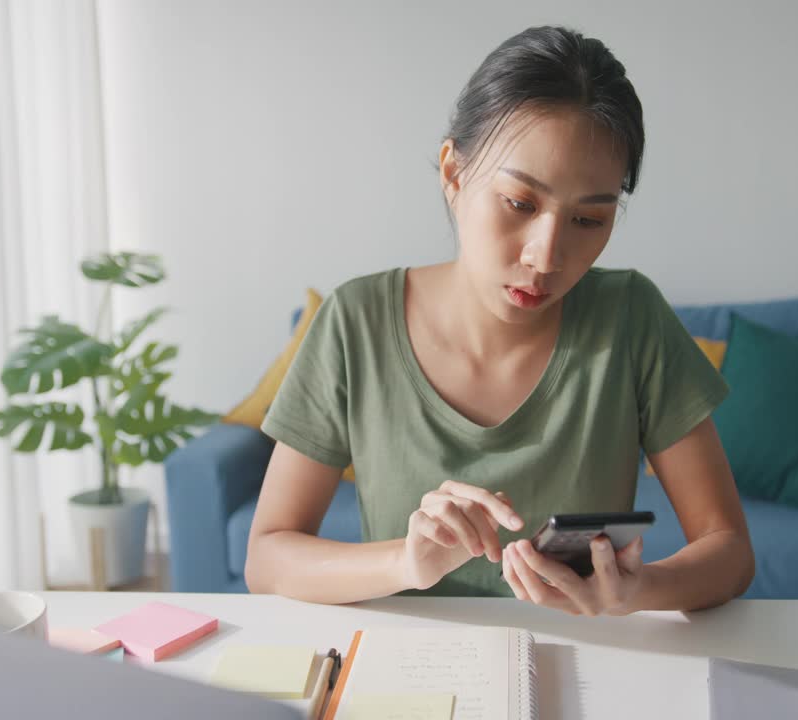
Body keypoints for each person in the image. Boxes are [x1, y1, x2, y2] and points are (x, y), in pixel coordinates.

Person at [245, 25, 754, 615]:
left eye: (589, 220)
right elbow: (268, 558)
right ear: (453, 174)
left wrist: (639, 591)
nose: (546, 256)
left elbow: (730, 551)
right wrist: (405, 562)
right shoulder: (354, 323)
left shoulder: (633, 319)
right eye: (520, 204)